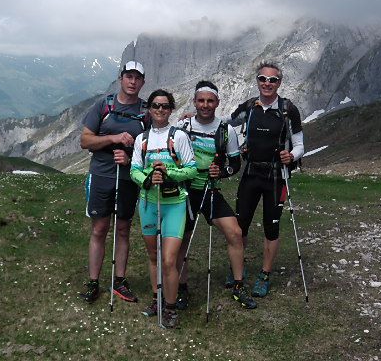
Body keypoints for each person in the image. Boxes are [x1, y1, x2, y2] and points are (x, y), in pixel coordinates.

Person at [175, 80, 257, 310]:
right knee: (183, 241)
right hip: (187, 191)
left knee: (235, 233)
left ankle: (239, 287)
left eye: (210, 101)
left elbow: (235, 163)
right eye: (201, 100)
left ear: (217, 103)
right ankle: (181, 289)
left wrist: (220, 172)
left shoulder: (225, 130)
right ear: (195, 102)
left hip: (210, 190)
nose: (205, 105)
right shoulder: (183, 127)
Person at [230, 61, 304, 297]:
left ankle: (264, 275)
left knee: (271, 227)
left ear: (279, 82)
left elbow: (301, 144)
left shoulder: (288, 110)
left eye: (272, 80)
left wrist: (291, 155)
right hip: (251, 173)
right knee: (240, 226)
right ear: (257, 81)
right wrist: (197, 116)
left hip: (276, 176)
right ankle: (238, 271)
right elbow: (227, 122)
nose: (267, 83)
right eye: (263, 79)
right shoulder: (249, 107)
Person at [79, 61, 147, 304]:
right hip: (100, 174)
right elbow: (85, 141)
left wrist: (130, 158)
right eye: (129, 76)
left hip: (128, 178)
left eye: (137, 78)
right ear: (121, 78)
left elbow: (152, 147)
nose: (132, 82)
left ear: (143, 82)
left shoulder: (146, 112)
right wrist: (113, 139)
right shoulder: (103, 105)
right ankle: (93, 282)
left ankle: (119, 280)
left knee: (123, 228)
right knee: (99, 228)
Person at [130, 89, 197, 329]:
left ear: (171, 109)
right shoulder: (142, 139)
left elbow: (191, 169)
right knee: (153, 257)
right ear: (149, 108)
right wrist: (148, 179)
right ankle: (157, 299)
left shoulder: (179, 137)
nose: (160, 110)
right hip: (148, 203)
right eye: (156, 106)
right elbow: (134, 170)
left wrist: (168, 173)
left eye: (165, 106)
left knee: (169, 260)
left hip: (174, 204)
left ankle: (170, 307)